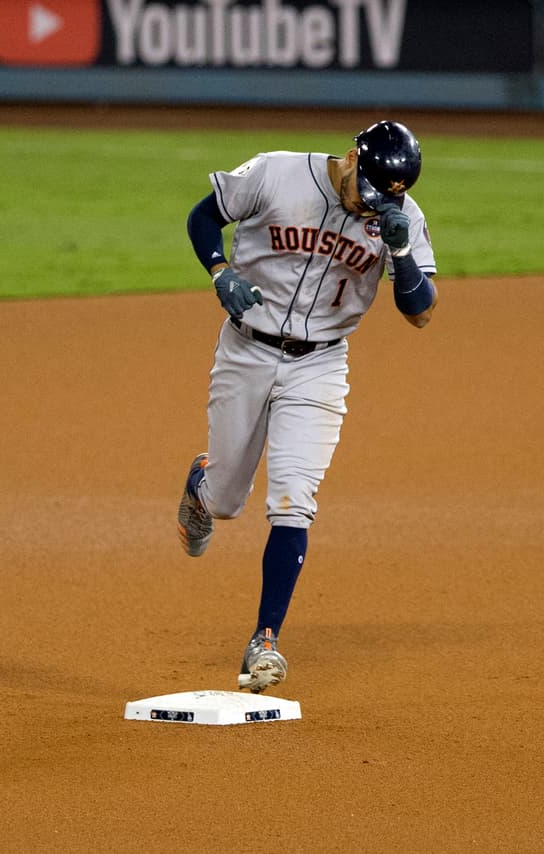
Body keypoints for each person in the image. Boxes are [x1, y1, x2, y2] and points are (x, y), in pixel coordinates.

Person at [176, 120, 437, 693]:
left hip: (319, 366)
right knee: (224, 503)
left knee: (294, 499)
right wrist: (219, 272)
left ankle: (265, 641)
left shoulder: (402, 219)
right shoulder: (276, 171)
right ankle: (202, 484)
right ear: (351, 159)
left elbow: (420, 312)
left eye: (381, 198)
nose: (364, 203)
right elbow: (203, 215)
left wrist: (398, 248)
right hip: (246, 349)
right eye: (363, 189)